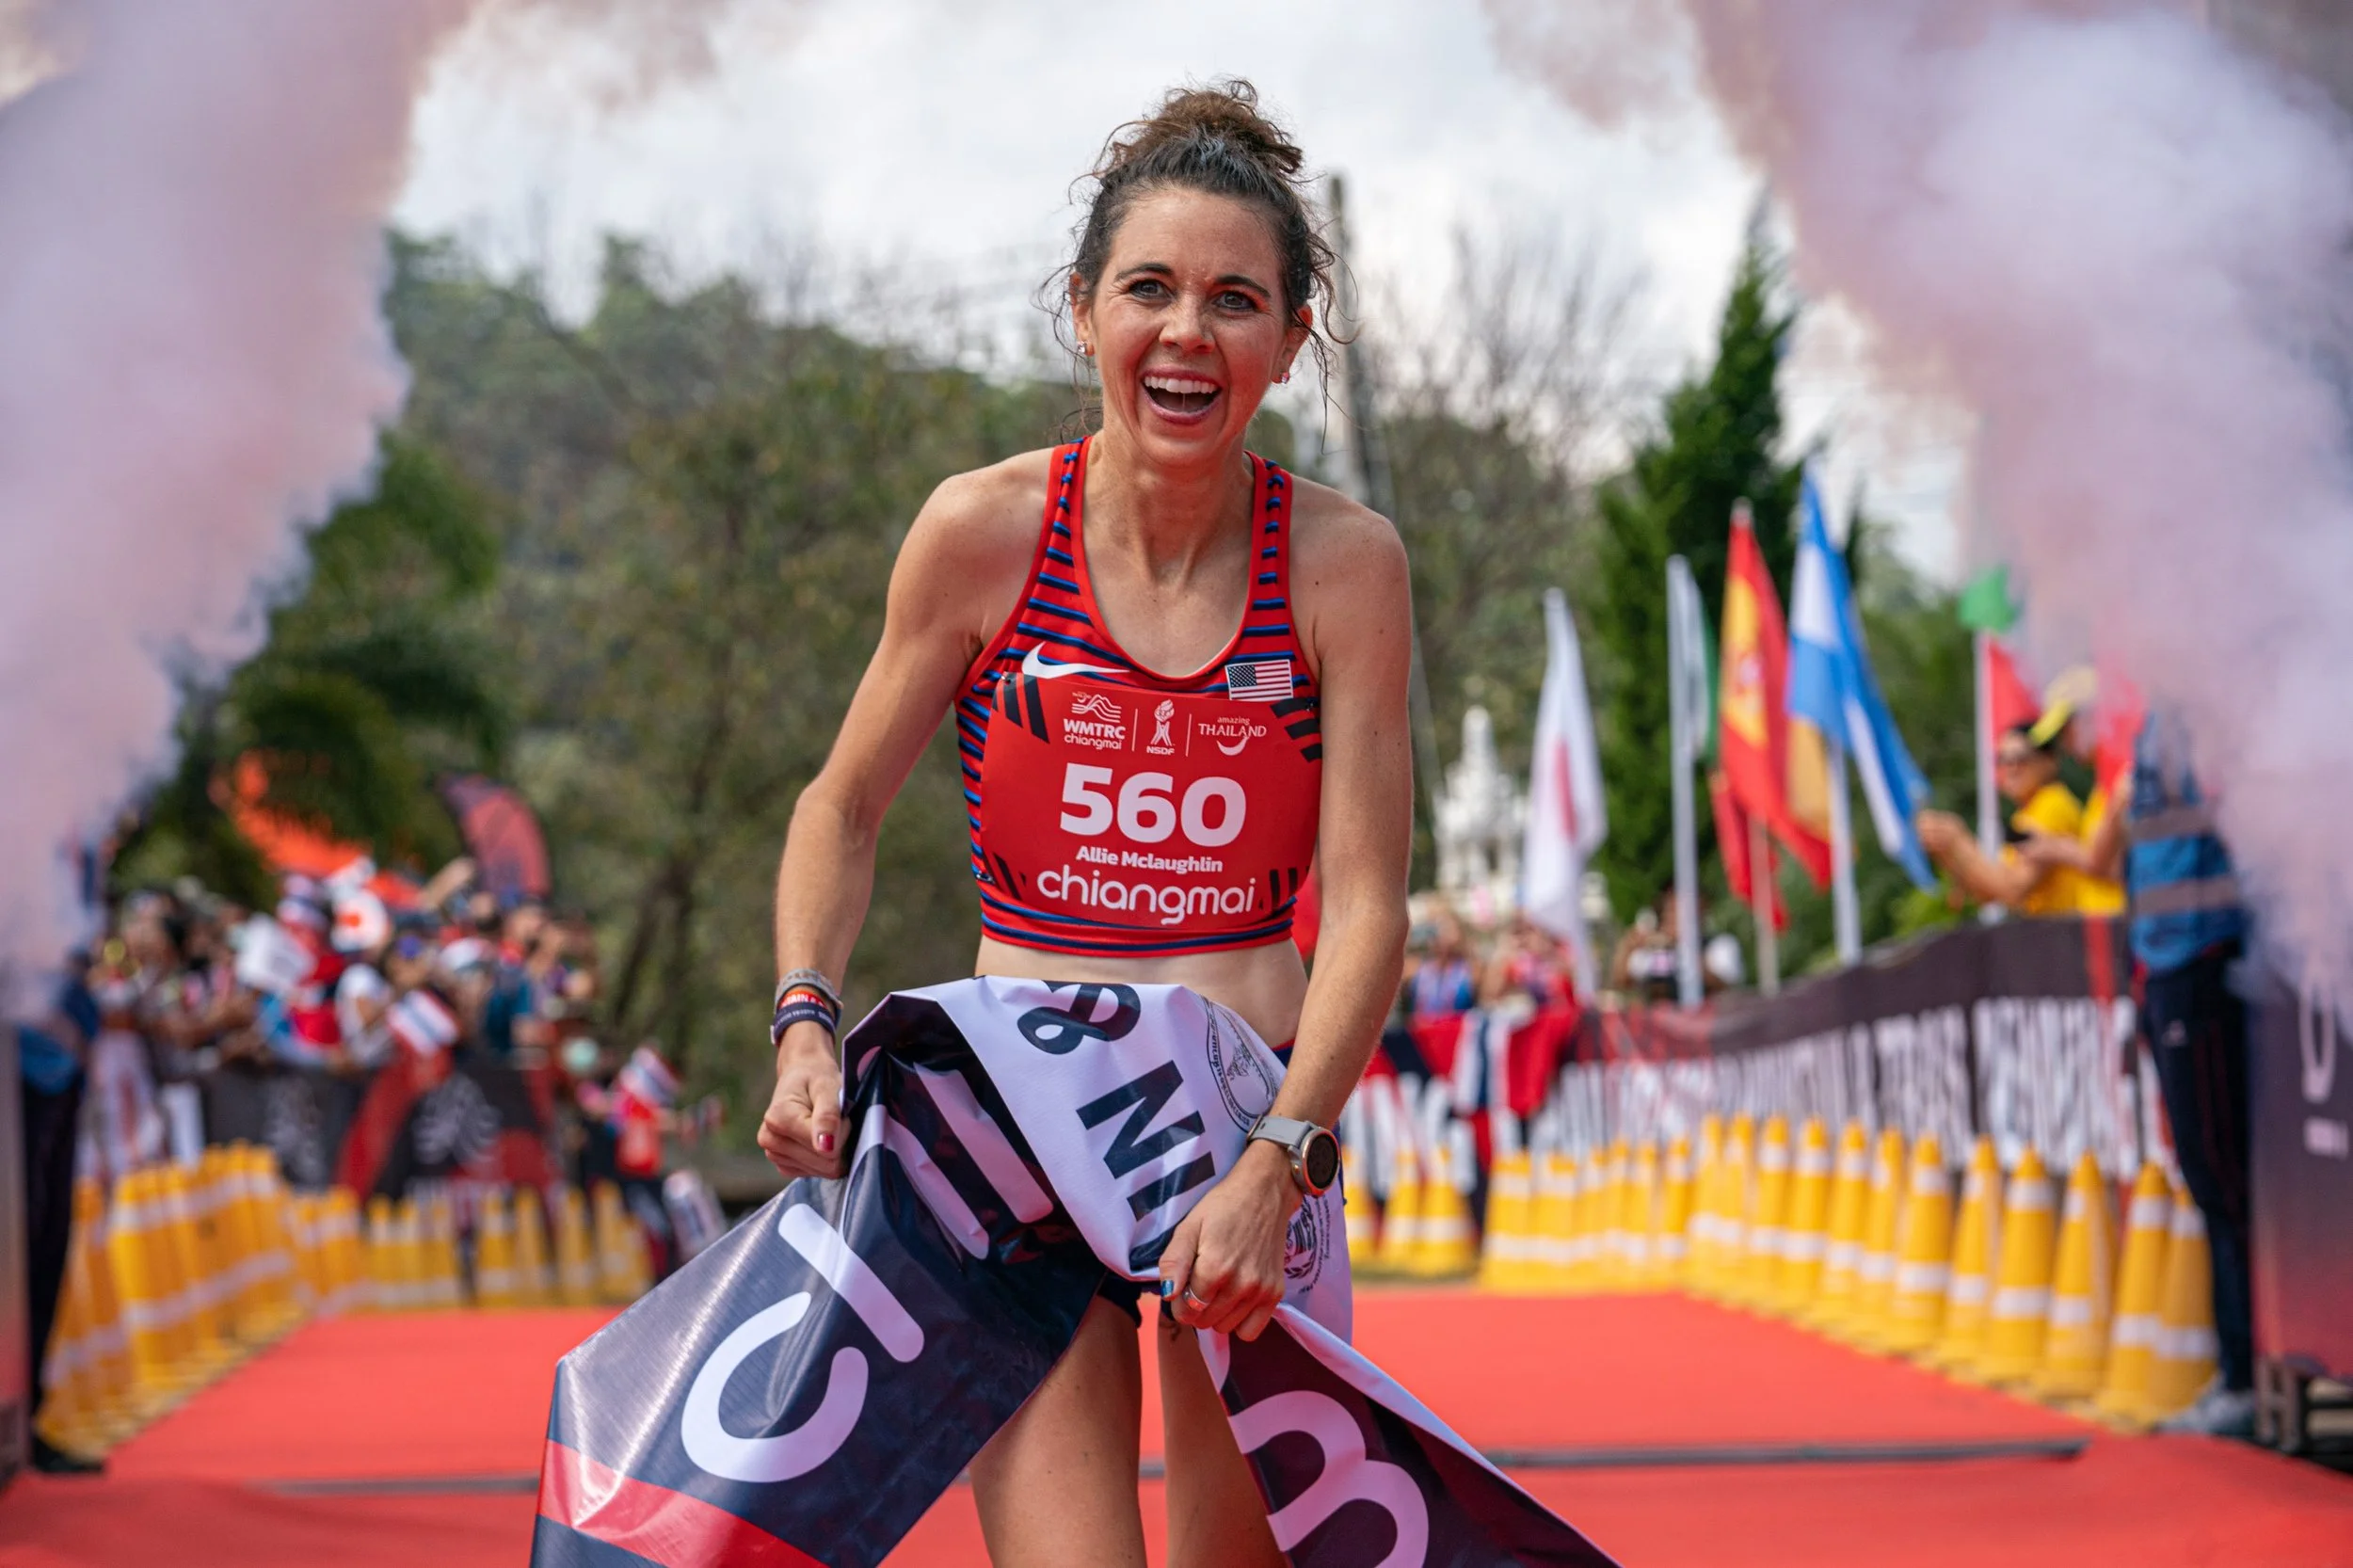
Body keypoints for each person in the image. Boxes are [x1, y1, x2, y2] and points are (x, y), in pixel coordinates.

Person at [756, 81, 1412, 1568]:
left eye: (1236, 300)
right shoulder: (982, 529)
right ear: (1081, 312)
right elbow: (838, 805)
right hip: (1022, 1142)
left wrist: (1284, 1157)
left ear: (1291, 341)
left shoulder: (1344, 564)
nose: (1188, 332)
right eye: (1150, 290)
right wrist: (807, 1019)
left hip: (1243, 1137)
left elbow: (1369, 902)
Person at [2126, 712, 2255, 1437]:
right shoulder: (2159, 715)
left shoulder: (2205, 698)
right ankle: (2237, 1368)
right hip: (2169, 966)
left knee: (2223, 1180)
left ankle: (2245, 1372)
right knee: (2207, 1177)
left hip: (2203, 962)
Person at [1916, 721, 2118, 916]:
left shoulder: (2053, 803)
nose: (2012, 768)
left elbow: (2013, 889)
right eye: (2003, 760)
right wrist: (1948, 853)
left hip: (2067, 934)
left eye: (2021, 759)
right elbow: (1988, 894)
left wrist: (1959, 841)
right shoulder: (2026, 815)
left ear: (2049, 762)